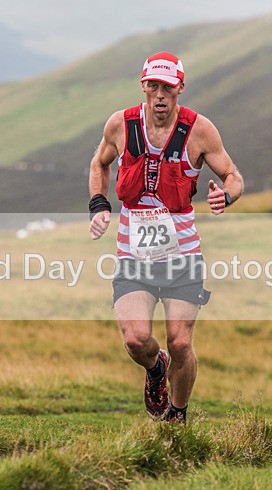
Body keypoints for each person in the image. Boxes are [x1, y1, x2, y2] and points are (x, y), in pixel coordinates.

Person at [88, 51, 244, 424]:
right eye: (152, 86)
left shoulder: (200, 130)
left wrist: (227, 194)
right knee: (136, 340)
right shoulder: (121, 125)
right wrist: (98, 203)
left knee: (181, 342)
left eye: (167, 87)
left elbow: (233, 176)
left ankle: (177, 414)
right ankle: (156, 368)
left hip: (182, 255)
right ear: (143, 86)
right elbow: (100, 164)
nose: (159, 95)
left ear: (180, 88)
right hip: (133, 254)